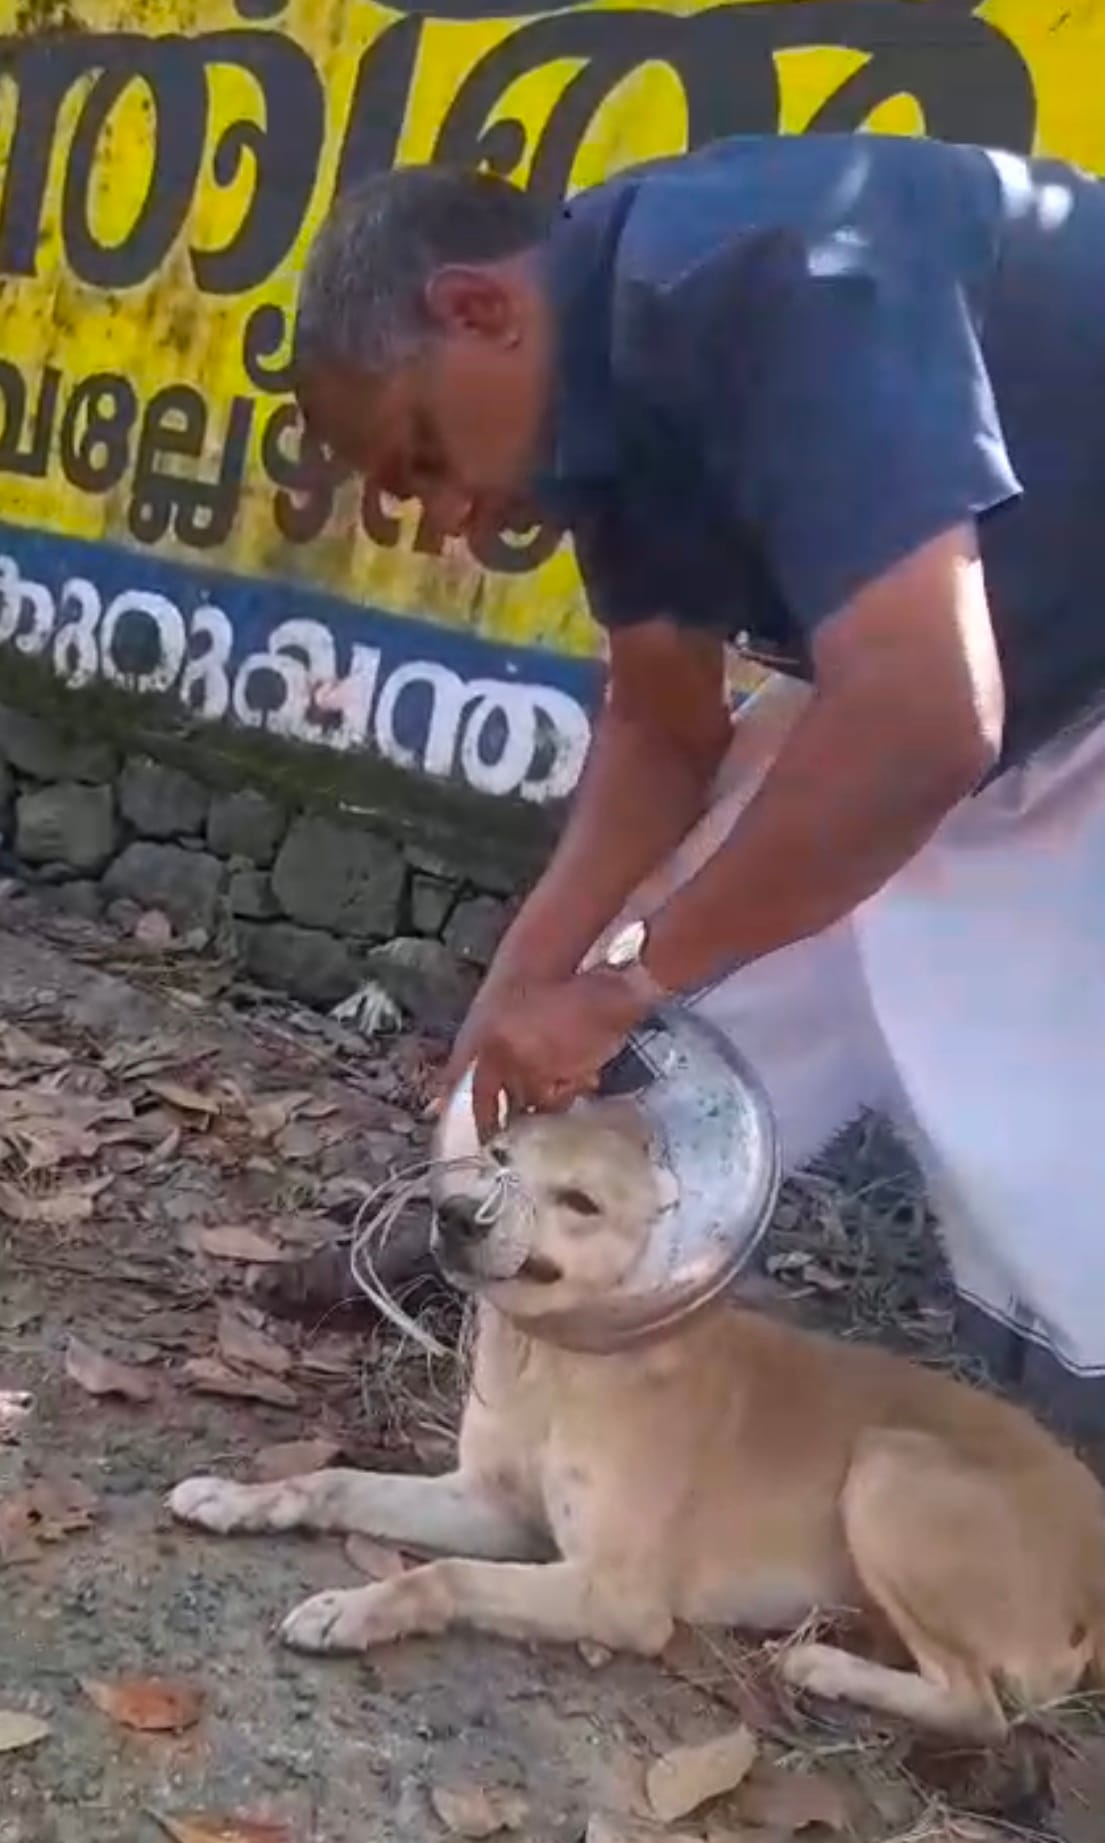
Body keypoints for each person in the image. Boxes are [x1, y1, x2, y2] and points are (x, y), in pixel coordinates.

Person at [291, 135, 1105, 1434]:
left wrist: (624, 981)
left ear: (477, 310)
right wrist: (521, 997)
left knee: (1040, 1140)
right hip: (1006, 689)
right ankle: (486, 1217)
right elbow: (665, 736)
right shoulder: (600, 399)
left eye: (425, 458)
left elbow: (923, 719)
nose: (450, 522)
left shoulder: (772, 278)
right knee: (704, 989)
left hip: (1050, 698)